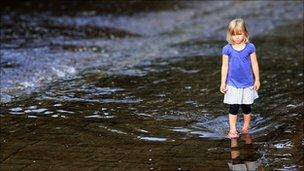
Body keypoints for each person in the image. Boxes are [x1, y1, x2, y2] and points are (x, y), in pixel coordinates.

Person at [220, 18, 260, 139]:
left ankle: (245, 127)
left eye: (239, 34)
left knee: (246, 106)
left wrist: (257, 79)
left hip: (247, 83)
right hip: (232, 84)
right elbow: (225, 66)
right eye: (234, 34)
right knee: (233, 106)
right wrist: (223, 82)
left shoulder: (250, 47)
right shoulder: (227, 49)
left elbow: (254, 63)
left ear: (245, 34)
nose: (237, 37)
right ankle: (232, 129)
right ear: (230, 35)